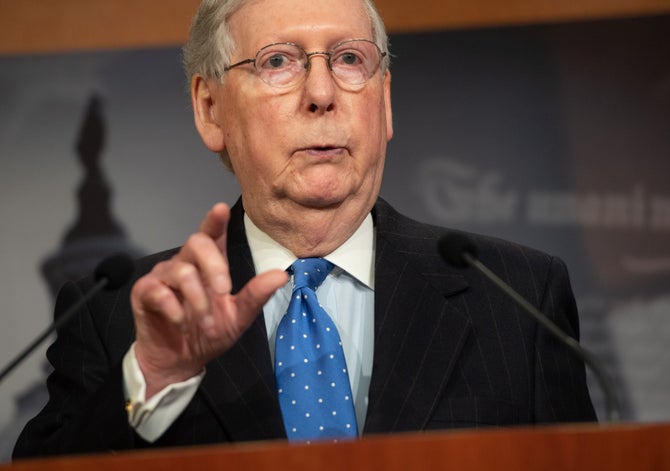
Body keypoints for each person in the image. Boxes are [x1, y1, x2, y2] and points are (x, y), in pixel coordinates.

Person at [13, 0, 596, 458]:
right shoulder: (114, 314)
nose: (322, 94)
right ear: (209, 108)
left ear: (384, 102)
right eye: (278, 61)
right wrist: (157, 377)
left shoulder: (518, 298)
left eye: (348, 59)